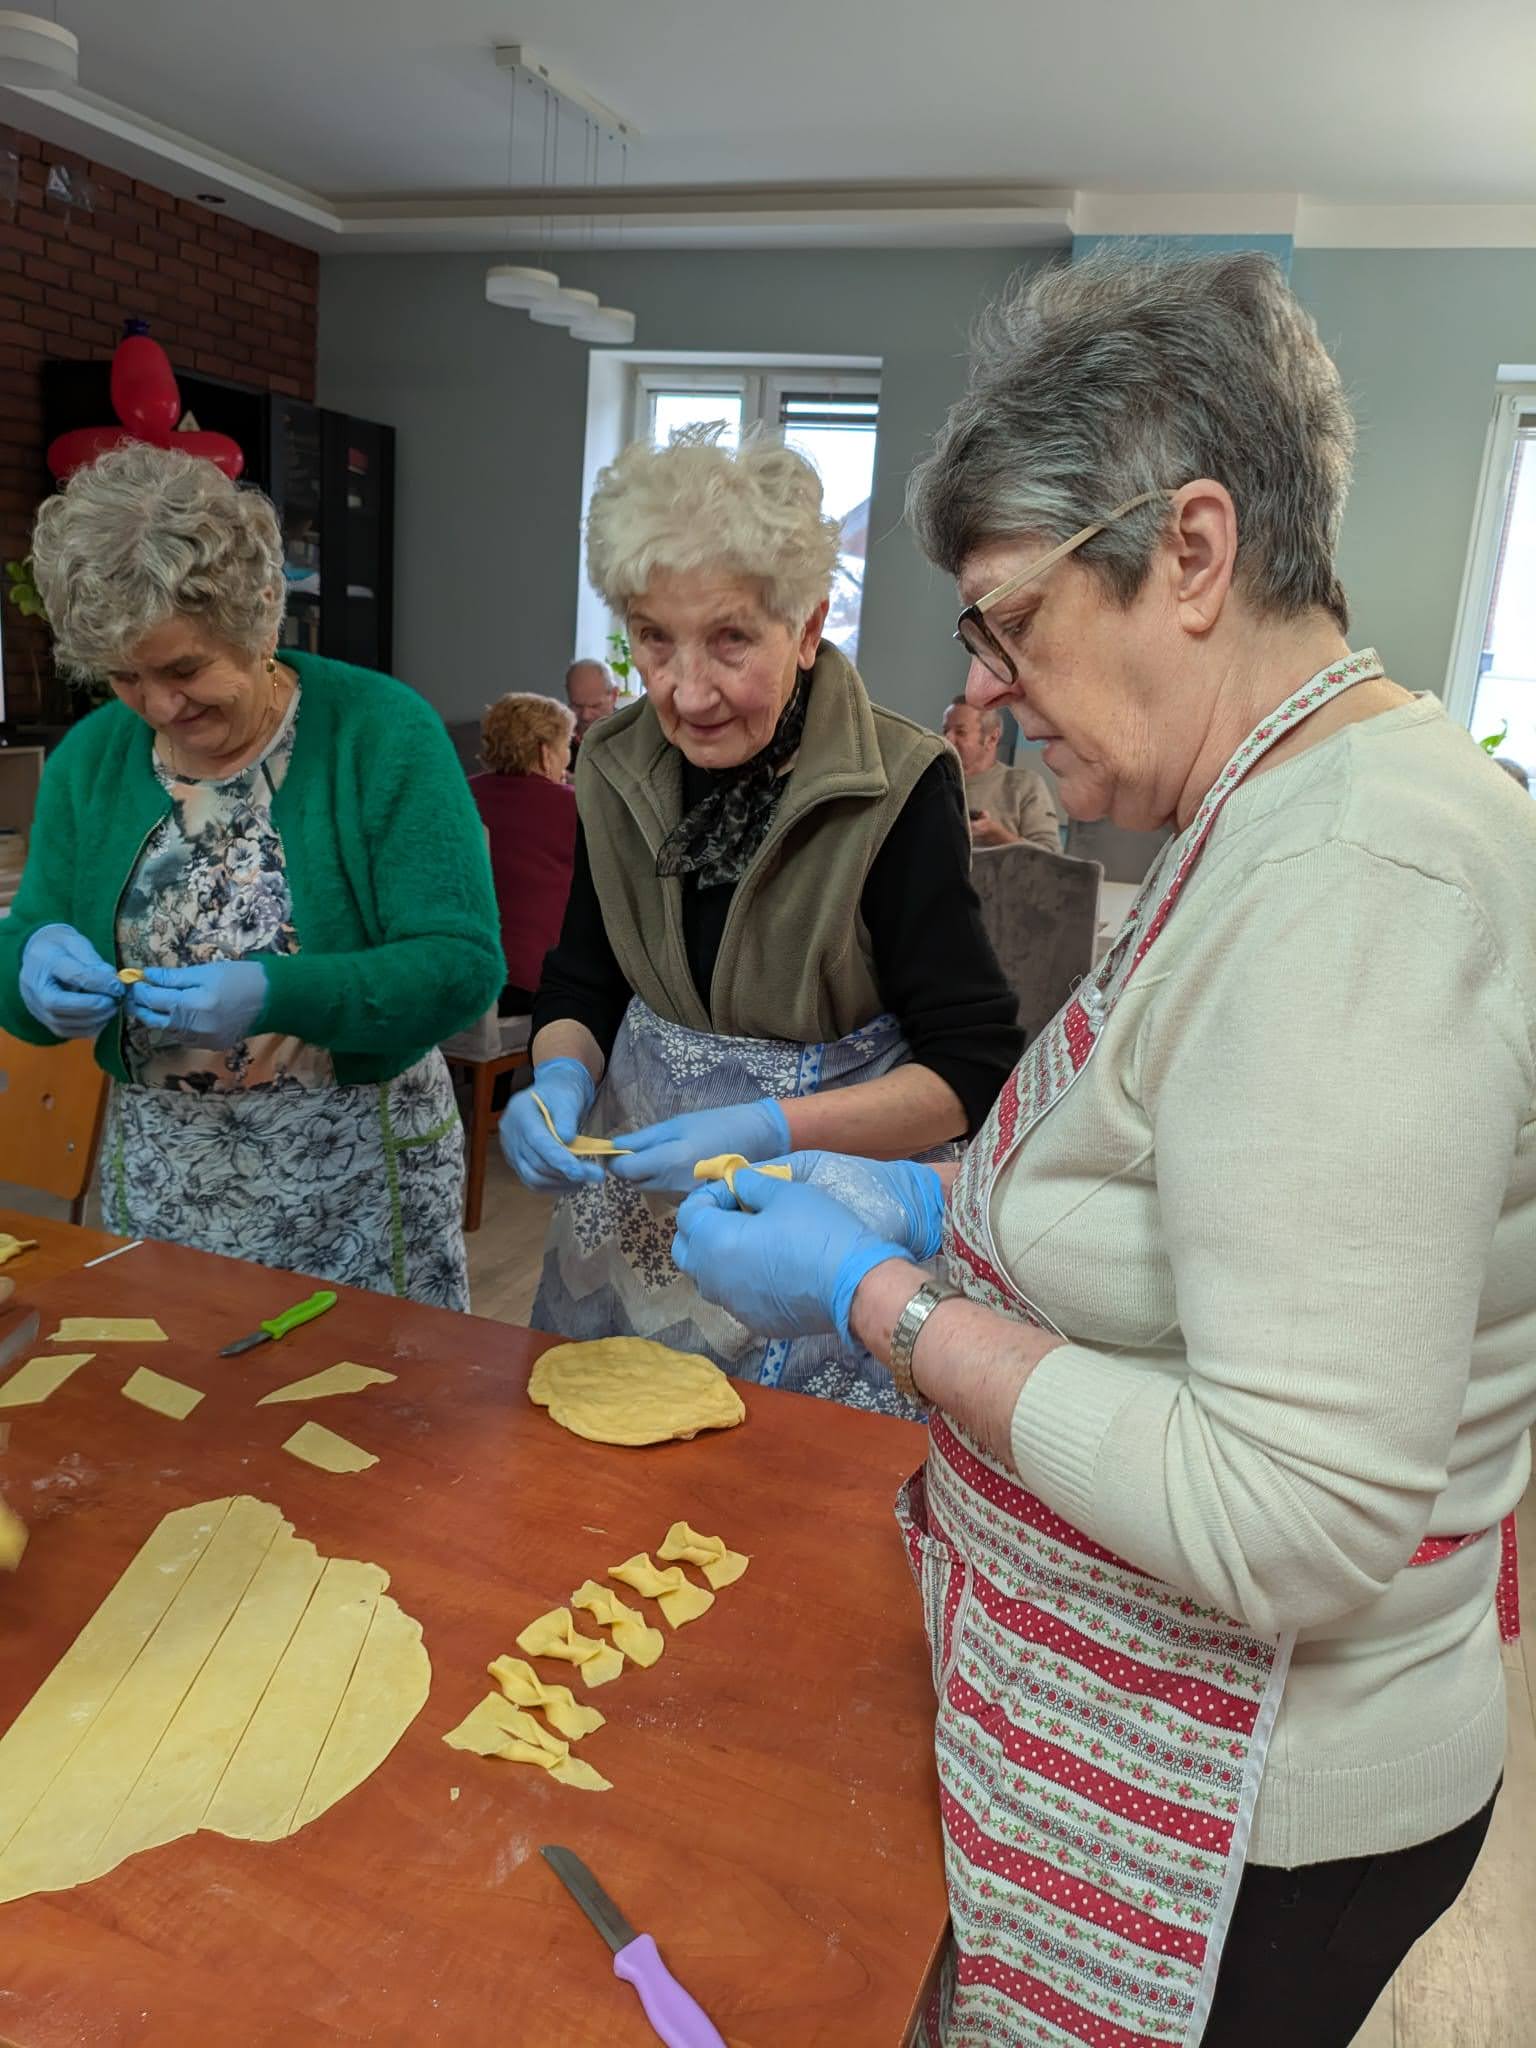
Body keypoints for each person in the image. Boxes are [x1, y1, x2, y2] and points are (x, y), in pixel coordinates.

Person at [669, 253, 1536, 2046]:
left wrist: (888, 1298)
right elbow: (1193, 1189)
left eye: (1007, 620)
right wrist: (919, 1190)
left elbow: (1294, 1512)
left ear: (1195, 552)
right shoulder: (1277, 803)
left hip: (1262, 1811)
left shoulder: (1354, 879)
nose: (983, 687)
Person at [501, 431, 1021, 1412]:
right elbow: (585, 980)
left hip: (803, 1233)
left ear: (810, 620)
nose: (686, 690)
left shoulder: (899, 787)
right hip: (632, 1234)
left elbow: (970, 1068)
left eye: (731, 639)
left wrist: (773, 1123)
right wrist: (559, 1077)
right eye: (653, 638)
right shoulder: (611, 766)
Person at [0, 444, 502, 1309]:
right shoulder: (91, 761)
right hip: (161, 1185)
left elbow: (460, 967)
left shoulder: (380, 734)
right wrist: (29, 965)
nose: (159, 706)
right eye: (126, 676)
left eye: (184, 669)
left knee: (368, 1428)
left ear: (261, 615)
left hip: (350, 1188)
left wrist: (275, 992)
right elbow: (26, 958)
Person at [469, 693, 577, 1016]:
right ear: (546, 754)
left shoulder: (459, 795)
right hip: (531, 982)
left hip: (464, 975)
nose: (568, 759)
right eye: (566, 747)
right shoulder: (573, 807)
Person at [941, 693, 1060, 849]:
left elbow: (1051, 859)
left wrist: (997, 836)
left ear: (992, 739)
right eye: (945, 731)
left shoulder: (1025, 785)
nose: (947, 739)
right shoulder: (934, 783)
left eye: (960, 732)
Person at [565, 658, 620, 764]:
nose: (585, 716)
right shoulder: (555, 737)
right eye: (577, 705)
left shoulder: (631, 737)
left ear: (614, 695)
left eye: (595, 706)